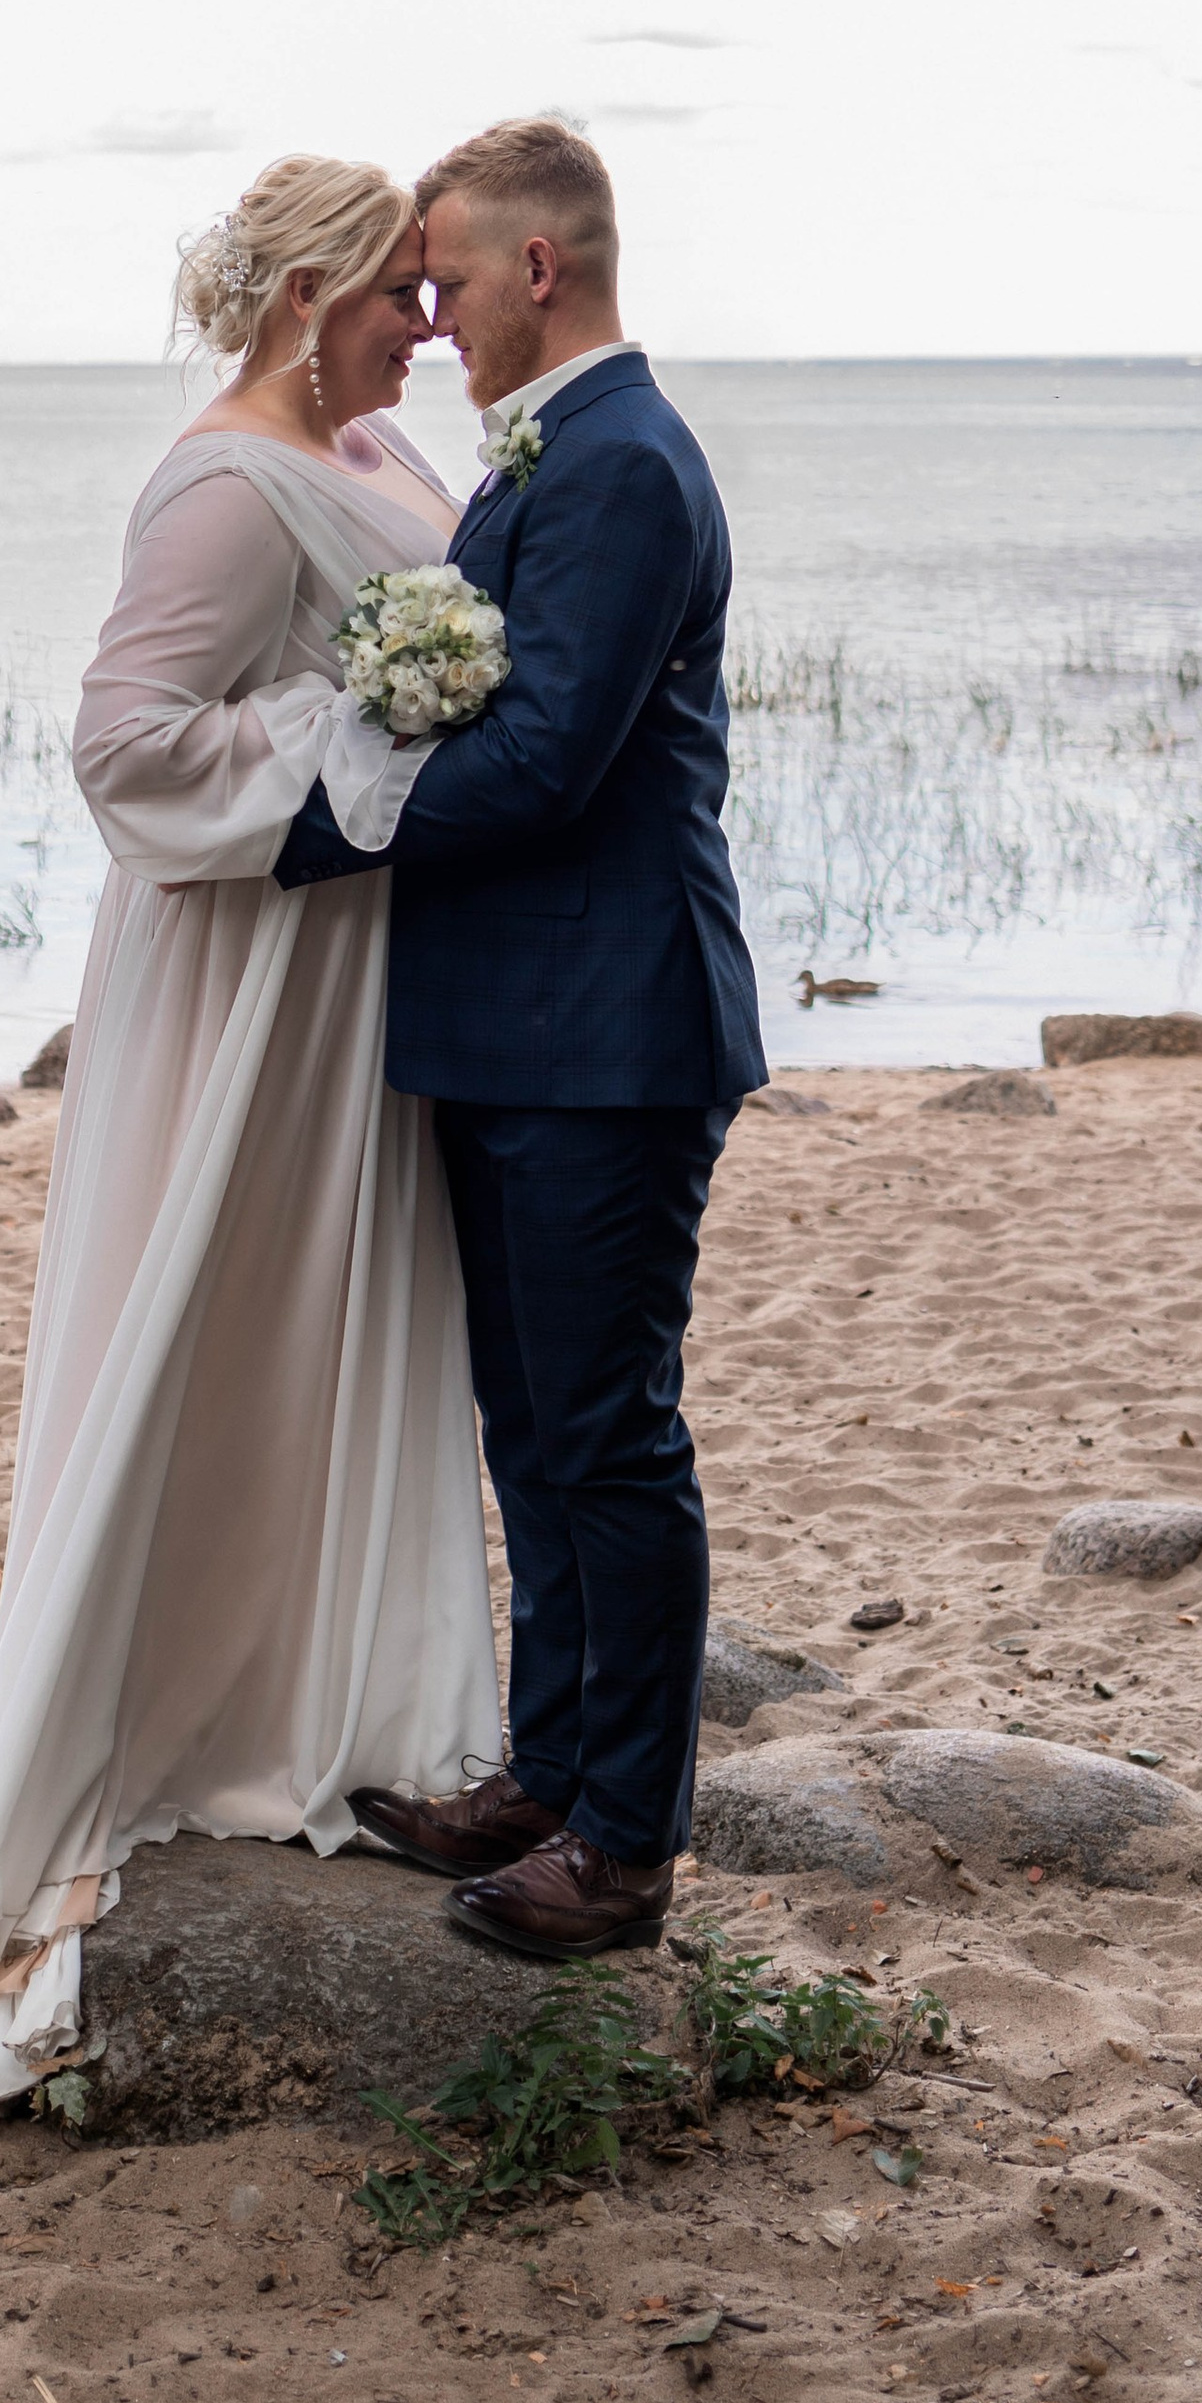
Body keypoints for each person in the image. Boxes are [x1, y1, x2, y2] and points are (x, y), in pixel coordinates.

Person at [0, 155, 499, 2113]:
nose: (430, 318)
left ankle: (335, 1702)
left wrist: (430, 711)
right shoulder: (230, 483)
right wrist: (369, 723)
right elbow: (129, 746)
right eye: (401, 288)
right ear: (307, 289)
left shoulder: (389, 450)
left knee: (340, 1332)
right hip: (252, 984)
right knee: (218, 1339)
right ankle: (133, 1768)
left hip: (356, 977)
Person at [276, 116, 768, 1961]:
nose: (438, 314)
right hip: (511, 1029)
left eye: (453, 280)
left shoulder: (626, 463)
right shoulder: (547, 457)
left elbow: (552, 755)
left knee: (609, 1438)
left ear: (539, 270)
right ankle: (550, 1773)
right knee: (532, 1430)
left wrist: (307, 825)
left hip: (612, 1033)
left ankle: (627, 1843)